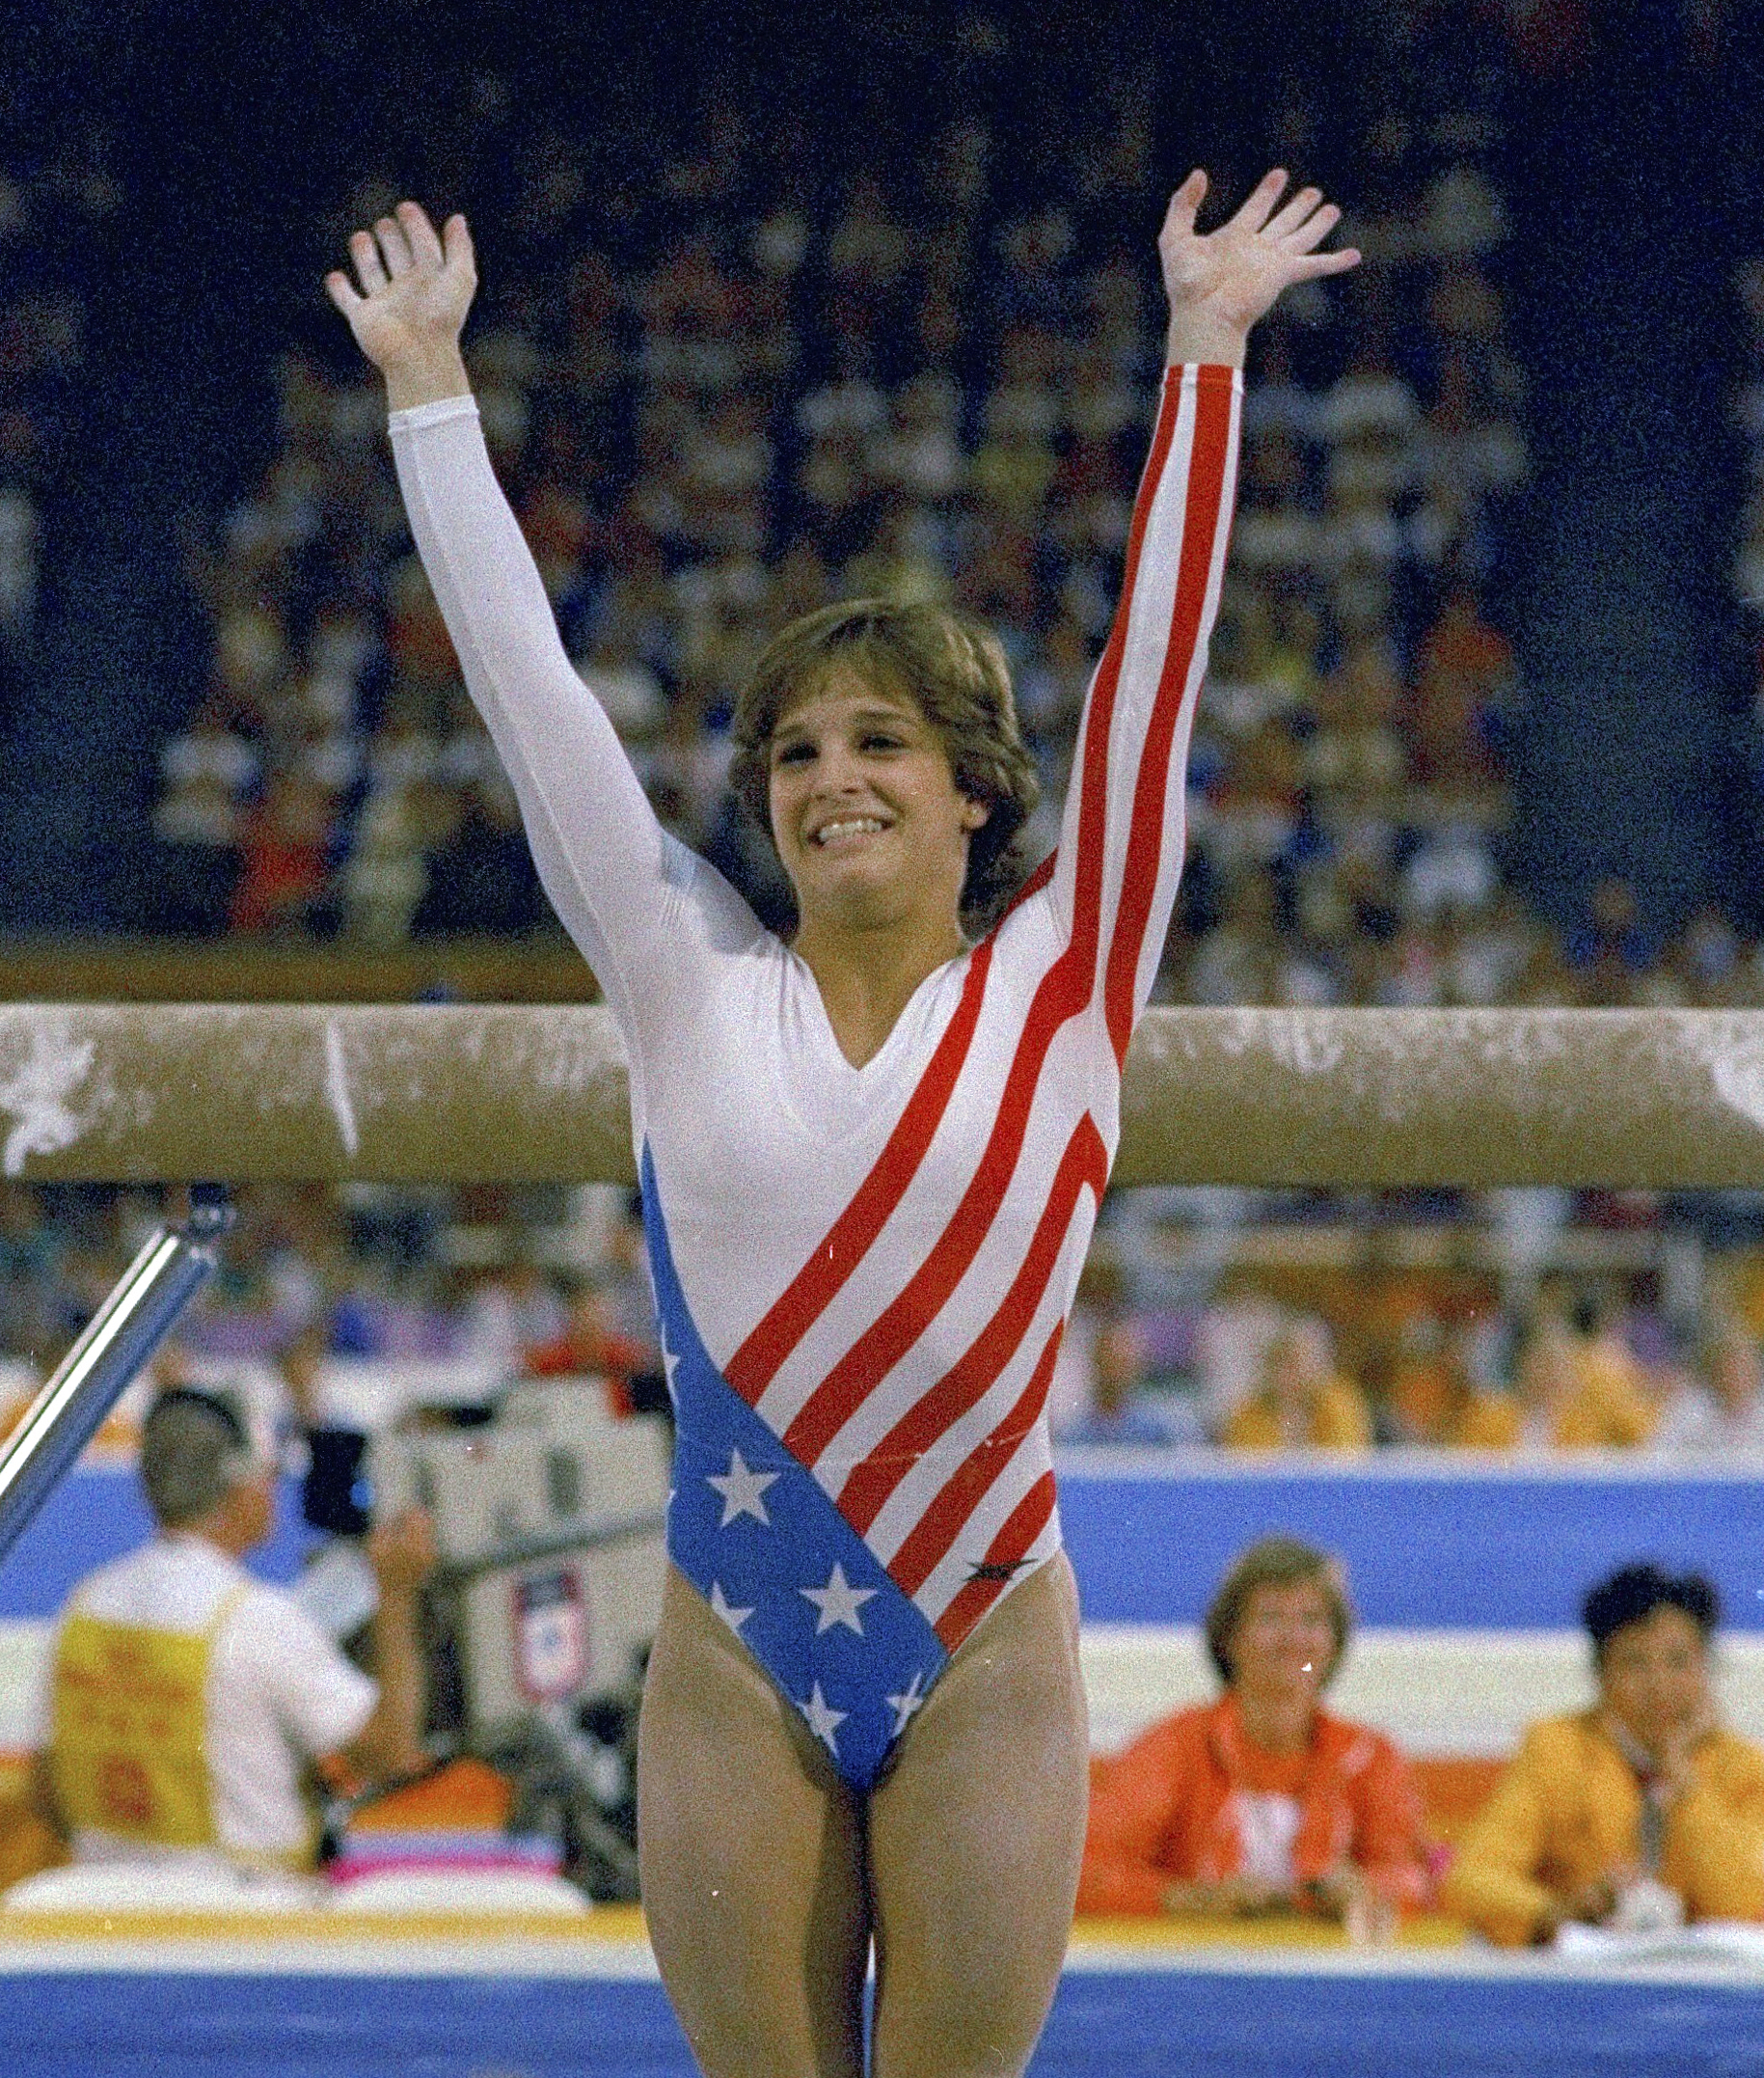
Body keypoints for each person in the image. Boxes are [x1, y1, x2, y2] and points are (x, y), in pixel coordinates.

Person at [327, 167, 1357, 2077]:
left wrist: (1200, 353)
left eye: (878, 739)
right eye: (797, 750)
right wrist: (428, 395)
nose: (832, 778)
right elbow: (533, 705)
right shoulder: (682, 975)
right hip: (735, 1633)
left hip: (981, 1628)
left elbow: (1151, 687)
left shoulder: (1062, 980)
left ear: (970, 788)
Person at [31, 1386, 434, 1878]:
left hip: (108, 1917)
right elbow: (390, 1755)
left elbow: (49, 1793)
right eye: (268, 1475)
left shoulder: (85, 1606)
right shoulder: (258, 1622)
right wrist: (396, 1596)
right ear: (240, 1485)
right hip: (245, 1925)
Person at [1077, 1536, 1432, 1934]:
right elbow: (1084, 1875)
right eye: (1270, 1618)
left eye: (1312, 1620)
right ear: (1229, 1639)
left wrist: (1364, 1890)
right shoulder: (1176, 1745)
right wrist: (1193, 1901)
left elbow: (1418, 1882)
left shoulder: (1371, 1757)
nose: (1293, 1639)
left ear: (1334, 1644)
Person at [1443, 1563, 1764, 1945]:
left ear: (1707, 1668)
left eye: (1678, 1662)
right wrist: (1553, 1913)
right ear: (1601, 1673)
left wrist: (1687, 1790)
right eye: (1635, 1663)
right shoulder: (1555, 1749)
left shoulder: (1745, 1767)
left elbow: (1749, 1903)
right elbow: (1470, 1879)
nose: (1659, 1686)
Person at [1221, 1315, 1373, 1449]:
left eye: (1299, 1365)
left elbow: (1347, 1463)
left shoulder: (1339, 1405)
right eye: (1282, 1364)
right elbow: (1245, 1472)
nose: (1291, 1374)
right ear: (1269, 1369)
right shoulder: (1249, 1416)